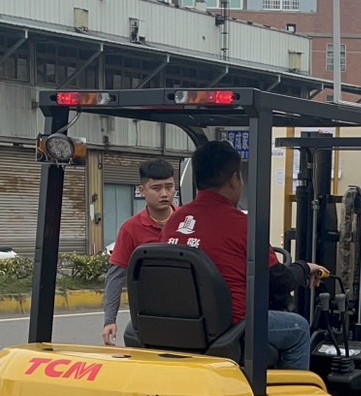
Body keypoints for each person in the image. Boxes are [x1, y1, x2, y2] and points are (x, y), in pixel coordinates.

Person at [161, 140, 320, 370]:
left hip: (179, 322)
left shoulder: (174, 221)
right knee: (299, 328)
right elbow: (279, 282)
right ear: (234, 179)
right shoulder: (243, 225)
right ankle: (288, 391)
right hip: (231, 326)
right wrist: (305, 268)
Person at [102, 158, 177, 346]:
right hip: (149, 313)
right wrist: (109, 320)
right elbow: (115, 277)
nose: (164, 194)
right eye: (156, 188)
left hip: (190, 310)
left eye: (169, 187)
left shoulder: (188, 221)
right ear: (142, 190)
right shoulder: (130, 229)